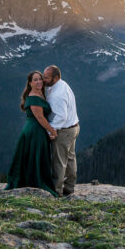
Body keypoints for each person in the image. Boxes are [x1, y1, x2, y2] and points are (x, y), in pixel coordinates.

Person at [5, 71, 59, 196]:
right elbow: (40, 118)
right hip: (35, 131)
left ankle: (35, 180)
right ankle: (36, 182)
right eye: (35, 80)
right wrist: (53, 131)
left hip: (36, 130)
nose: (39, 81)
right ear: (30, 83)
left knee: (35, 157)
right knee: (36, 156)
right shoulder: (34, 98)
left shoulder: (40, 93)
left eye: (40, 79)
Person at [43, 65, 80, 197]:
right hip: (74, 127)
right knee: (70, 158)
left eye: (46, 78)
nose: (43, 79)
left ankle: (57, 192)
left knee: (59, 162)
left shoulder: (57, 95)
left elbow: (61, 116)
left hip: (64, 131)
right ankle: (69, 188)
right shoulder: (62, 85)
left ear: (56, 77)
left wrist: (51, 131)